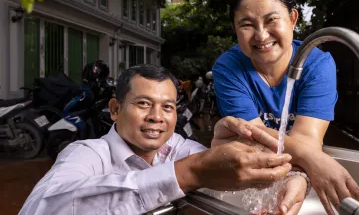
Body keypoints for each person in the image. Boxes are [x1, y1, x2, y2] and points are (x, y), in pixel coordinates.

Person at [19, 64, 300, 215]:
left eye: (167, 107)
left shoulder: (178, 148)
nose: (157, 117)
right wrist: (190, 172)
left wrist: (294, 178)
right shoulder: (87, 153)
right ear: (116, 109)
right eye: (143, 104)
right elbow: (41, 207)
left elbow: (224, 175)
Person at [212, 0, 359, 215]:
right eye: (247, 25)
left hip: (297, 168)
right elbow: (253, 137)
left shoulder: (317, 65)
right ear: (235, 29)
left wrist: (302, 177)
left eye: (271, 20)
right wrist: (316, 162)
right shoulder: (229, 68)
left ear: (292, 19)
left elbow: (306, 139)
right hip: (259, 171)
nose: (261, 36)